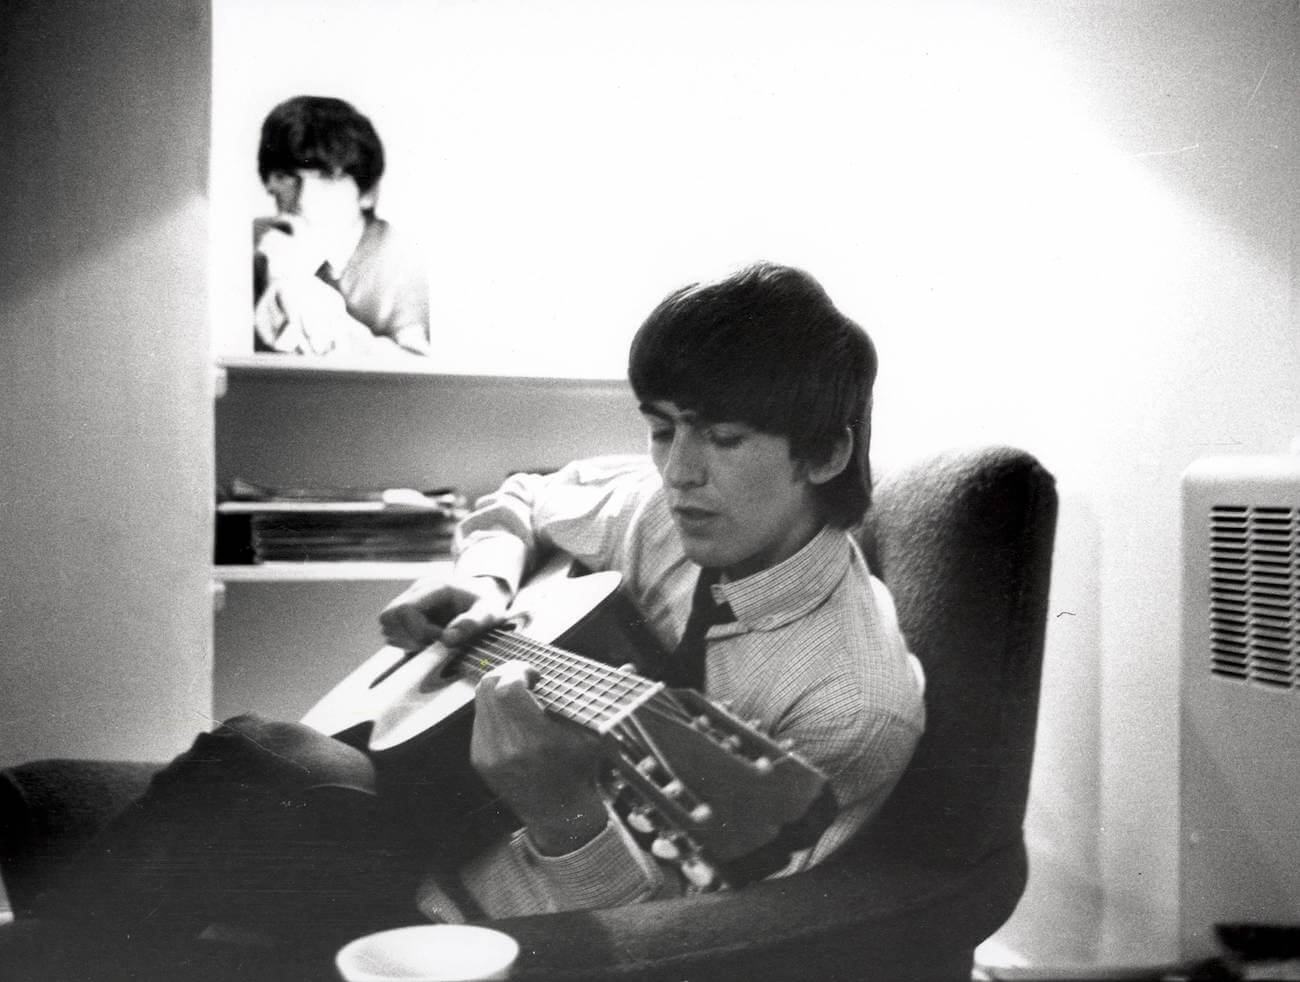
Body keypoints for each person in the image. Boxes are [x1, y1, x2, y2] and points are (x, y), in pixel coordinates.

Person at [43, 262, 923, 949]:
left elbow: (697, 933)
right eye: (661, 428)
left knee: (255, 758)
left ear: (825, 452)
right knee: (60, 805)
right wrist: (491, 581)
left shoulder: (852, 700)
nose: (678, 471)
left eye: (724, 438)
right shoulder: (663, 514)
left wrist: (566, 813)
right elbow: (526, 494)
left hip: (482, 925)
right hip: (437, 808)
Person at [252, 95, 430, 357]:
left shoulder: (403, 257)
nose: (303, 199)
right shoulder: (256, 247)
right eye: (287, 177)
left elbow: (420, 376)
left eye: (326, 177)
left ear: (367, 192)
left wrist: (301, 288)